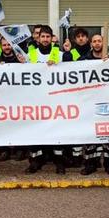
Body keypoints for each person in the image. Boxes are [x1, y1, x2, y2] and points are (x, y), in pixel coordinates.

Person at [24, 25, 66, 174]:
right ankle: (35, 162)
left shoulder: (59, 54)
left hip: (55, 101)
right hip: (36, 100)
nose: (45, 39)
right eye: (43, 36)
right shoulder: (31, 55)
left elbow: (73, 68)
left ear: (51, 38)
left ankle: (59, 163)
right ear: (38, 38)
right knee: (35, 132)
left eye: (48, 36)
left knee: (57, 133)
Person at [79, 34, 109, 176]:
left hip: (107, 103)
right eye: (94, 41)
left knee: (107, 136)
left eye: (99, 41)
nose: (97, 43)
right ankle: (90, 164)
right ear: (91, 44)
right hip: (89, 103)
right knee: (90, 136)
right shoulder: (84, 60)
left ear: (103, 43)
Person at [61, 27, 91, 168]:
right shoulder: (70, 52)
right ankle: (74, 157)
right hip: (73, 96)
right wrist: (67, 52)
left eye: (83, 36)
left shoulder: (93, 53)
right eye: (78, 36)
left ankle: (87, 158)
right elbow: (66, 69)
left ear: (87, 38)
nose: (80, 38)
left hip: (88, 96)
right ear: (74, 39)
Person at [0, 38, 26, 161]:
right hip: (2, 97)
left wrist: (24, 64)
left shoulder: (19, 58)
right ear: (0, 46)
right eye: (4, 45)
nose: (7, 47)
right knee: (3, 123)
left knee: (19, 123)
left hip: (18, 96)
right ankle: (4, 150)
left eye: (8, 44)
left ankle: (19, 150)